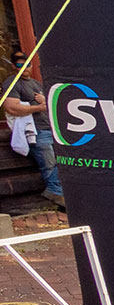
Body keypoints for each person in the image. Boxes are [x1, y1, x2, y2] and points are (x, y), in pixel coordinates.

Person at [5, 48, 64, 208]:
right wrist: (39, 107)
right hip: (35, 130)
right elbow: (11, 107)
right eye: (19, 65)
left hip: (49, 128)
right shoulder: (12, 83)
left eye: (27, 64)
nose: (24, 68)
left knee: (62, 161)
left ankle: (58, 192)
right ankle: (55, 192)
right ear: (13, 66)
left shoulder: (36, 83)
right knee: (49, 163)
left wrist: (45, 102)